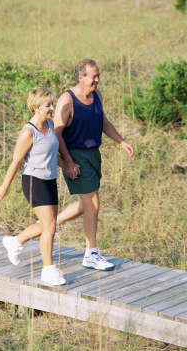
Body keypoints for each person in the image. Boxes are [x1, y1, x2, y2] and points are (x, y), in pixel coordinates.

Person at [54, 58, 134, 271]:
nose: (98, 80)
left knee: (85, 205)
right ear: (81, 78)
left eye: (98, 75)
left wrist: (122, 141)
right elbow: (56, 134)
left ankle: (46, 226)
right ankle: (91, 253)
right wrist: (68, 162)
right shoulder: (67, 100)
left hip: (93, 155)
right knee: (94, 204)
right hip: (76, 156)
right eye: (94, 76)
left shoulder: (96, 95)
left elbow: (103, 122)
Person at [0, 87, 66, 286]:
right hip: (34, 181)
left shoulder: (50, 124)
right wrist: (4, 187)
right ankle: (48, 271)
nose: (52, 108)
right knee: (50, 226)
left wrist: (67, 165)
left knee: (49, 225)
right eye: (48, 105)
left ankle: (15, 242)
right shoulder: (28, 132)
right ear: (35, 108)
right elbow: (16, 161)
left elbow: (53, 154)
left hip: (50, 179)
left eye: (52, 104)